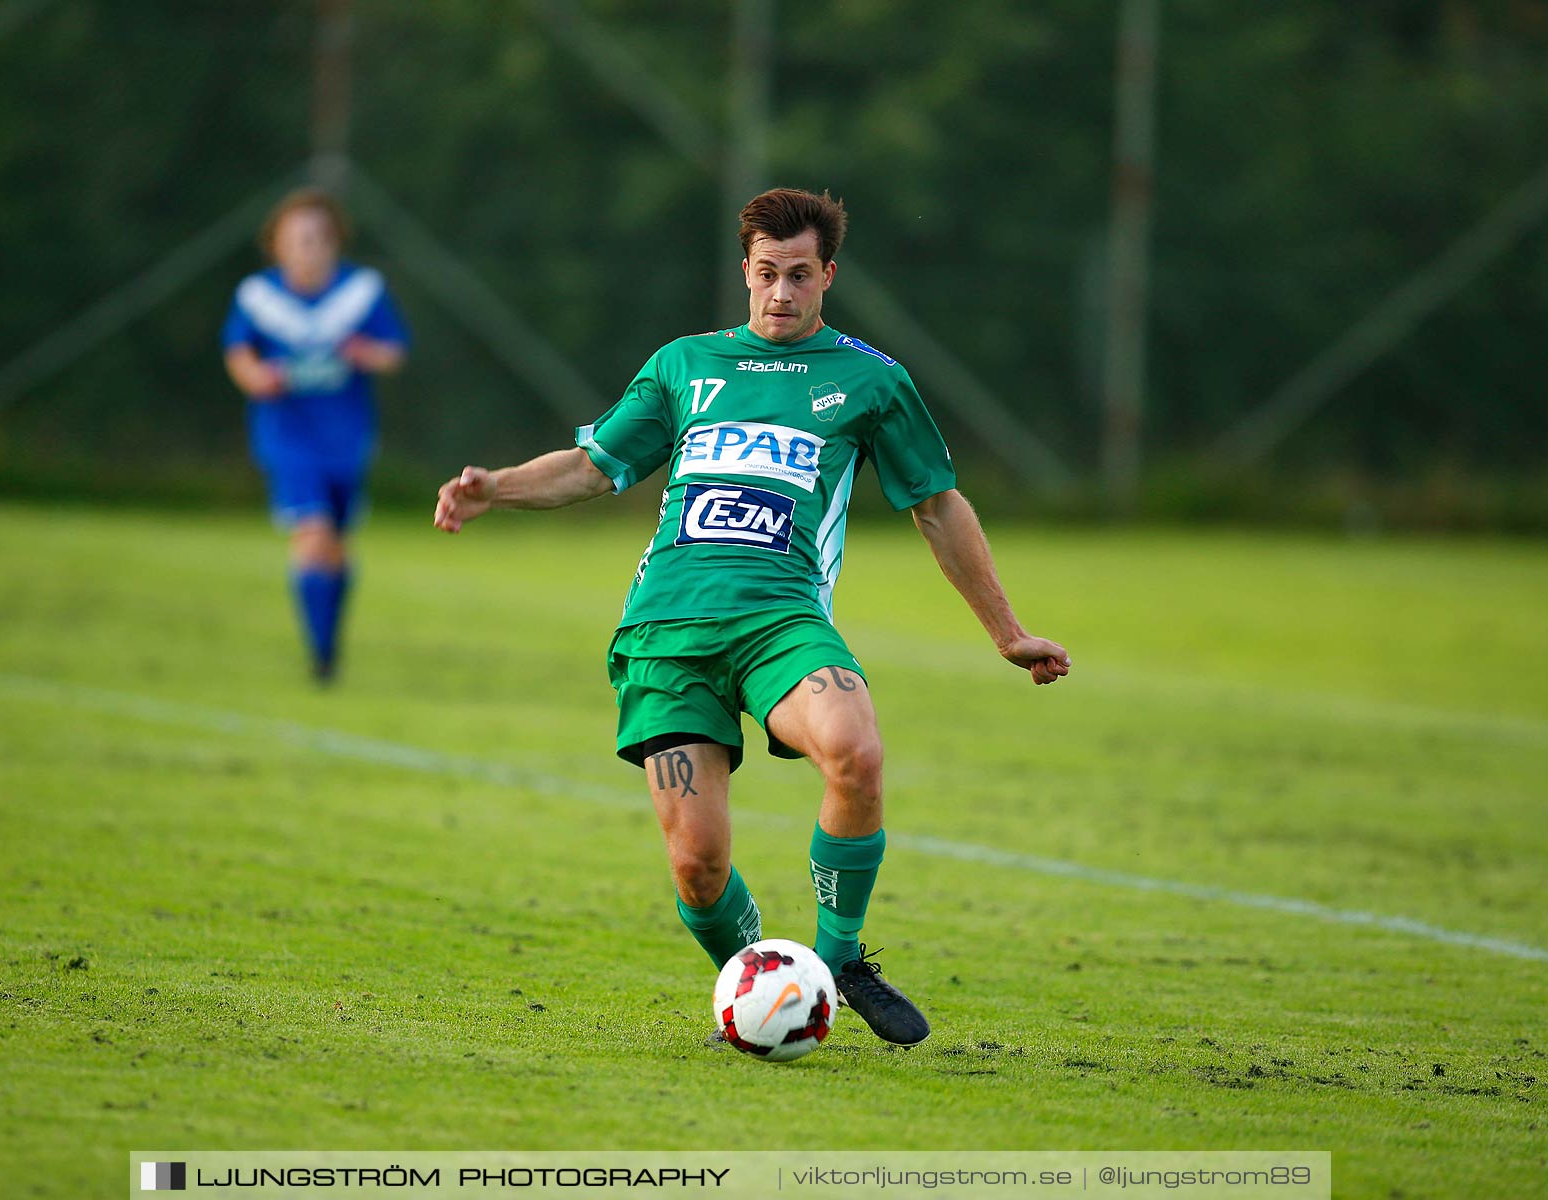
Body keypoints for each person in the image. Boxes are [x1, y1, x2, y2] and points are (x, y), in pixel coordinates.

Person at [433, 188, 1069, 1046]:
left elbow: (937, 506)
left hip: (781, 620)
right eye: (766, 274)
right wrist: (495, 489)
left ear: (828, 276)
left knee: (856, 749)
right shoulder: (685, 365)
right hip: (666, 635)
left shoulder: (871, 381)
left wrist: (1007, 630)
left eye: (799, 275)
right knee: (698, 868)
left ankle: (837, 960)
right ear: (744, 271)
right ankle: (761, 988)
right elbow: (594, 467)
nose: (780, 293)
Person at [222, 188, 410, 683]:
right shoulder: (260, 297)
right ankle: (320, 659)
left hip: (346, 437)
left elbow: (394, 351)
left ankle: (329, 645)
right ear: (276, 245)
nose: (308, 248)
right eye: (297, 239)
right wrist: (256, 378)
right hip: (289, 436)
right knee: (314, 533)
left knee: (337, 545)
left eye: (318, 239)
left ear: (334, 243)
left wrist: (363, 352)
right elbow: (238, 352)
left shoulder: (359, 292)